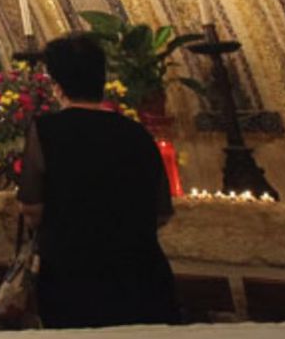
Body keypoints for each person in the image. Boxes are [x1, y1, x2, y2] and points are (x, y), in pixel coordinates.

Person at [18, 33, 177, 329]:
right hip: (141, 274)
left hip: (73, 277)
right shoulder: (137, 133)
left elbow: (32, 207)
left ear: (58, 85)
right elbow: (162, 211)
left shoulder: (47, 132)